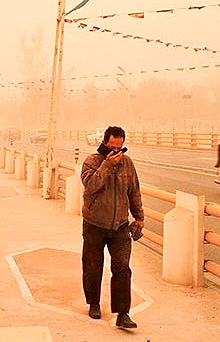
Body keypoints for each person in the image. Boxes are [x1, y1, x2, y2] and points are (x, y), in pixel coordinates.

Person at [80, 126, 144, 329]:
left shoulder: (128, 164)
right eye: (113, 147)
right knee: (92, 266)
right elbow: (91, 186)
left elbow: (134, 191)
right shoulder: (91, 161)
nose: (117, 152)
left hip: (120, 226)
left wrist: (139, 218)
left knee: (122, 268)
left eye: (120, 148)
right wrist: (107, 165)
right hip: (94, 224)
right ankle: (94, 303)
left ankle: (123, 313)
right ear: (105, 143)